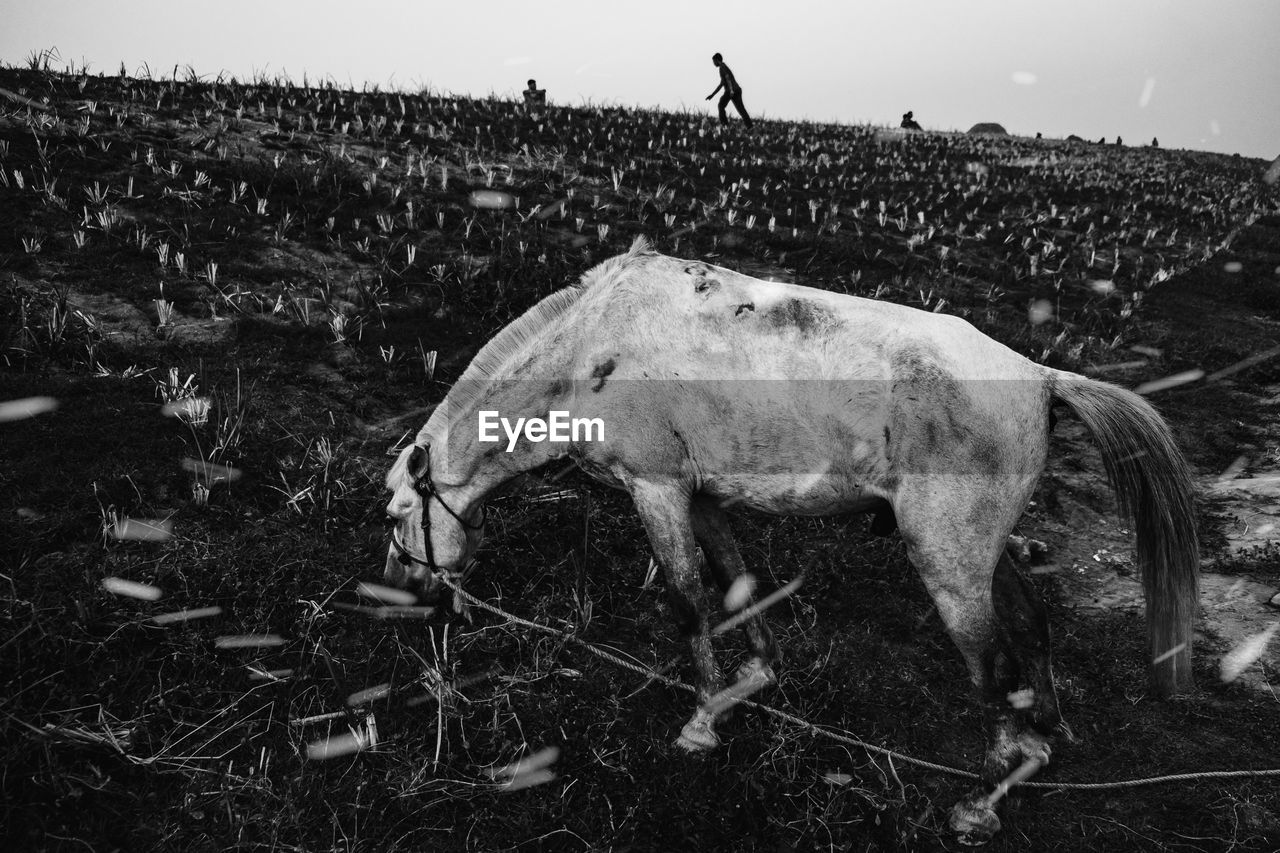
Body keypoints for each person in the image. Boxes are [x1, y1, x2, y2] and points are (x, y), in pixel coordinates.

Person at [706, 53, 752, 128]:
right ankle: (750, 126)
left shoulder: (722, 67)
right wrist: (712, 95)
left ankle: (724, 125)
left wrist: (731, 90)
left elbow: (728, 78)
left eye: (713, 61)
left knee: (721, 105)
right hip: (737, 90)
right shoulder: (723, 67)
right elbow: (722, 84)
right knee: (741, 110)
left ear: (717, 60)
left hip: (732, 90)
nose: (713, 63)